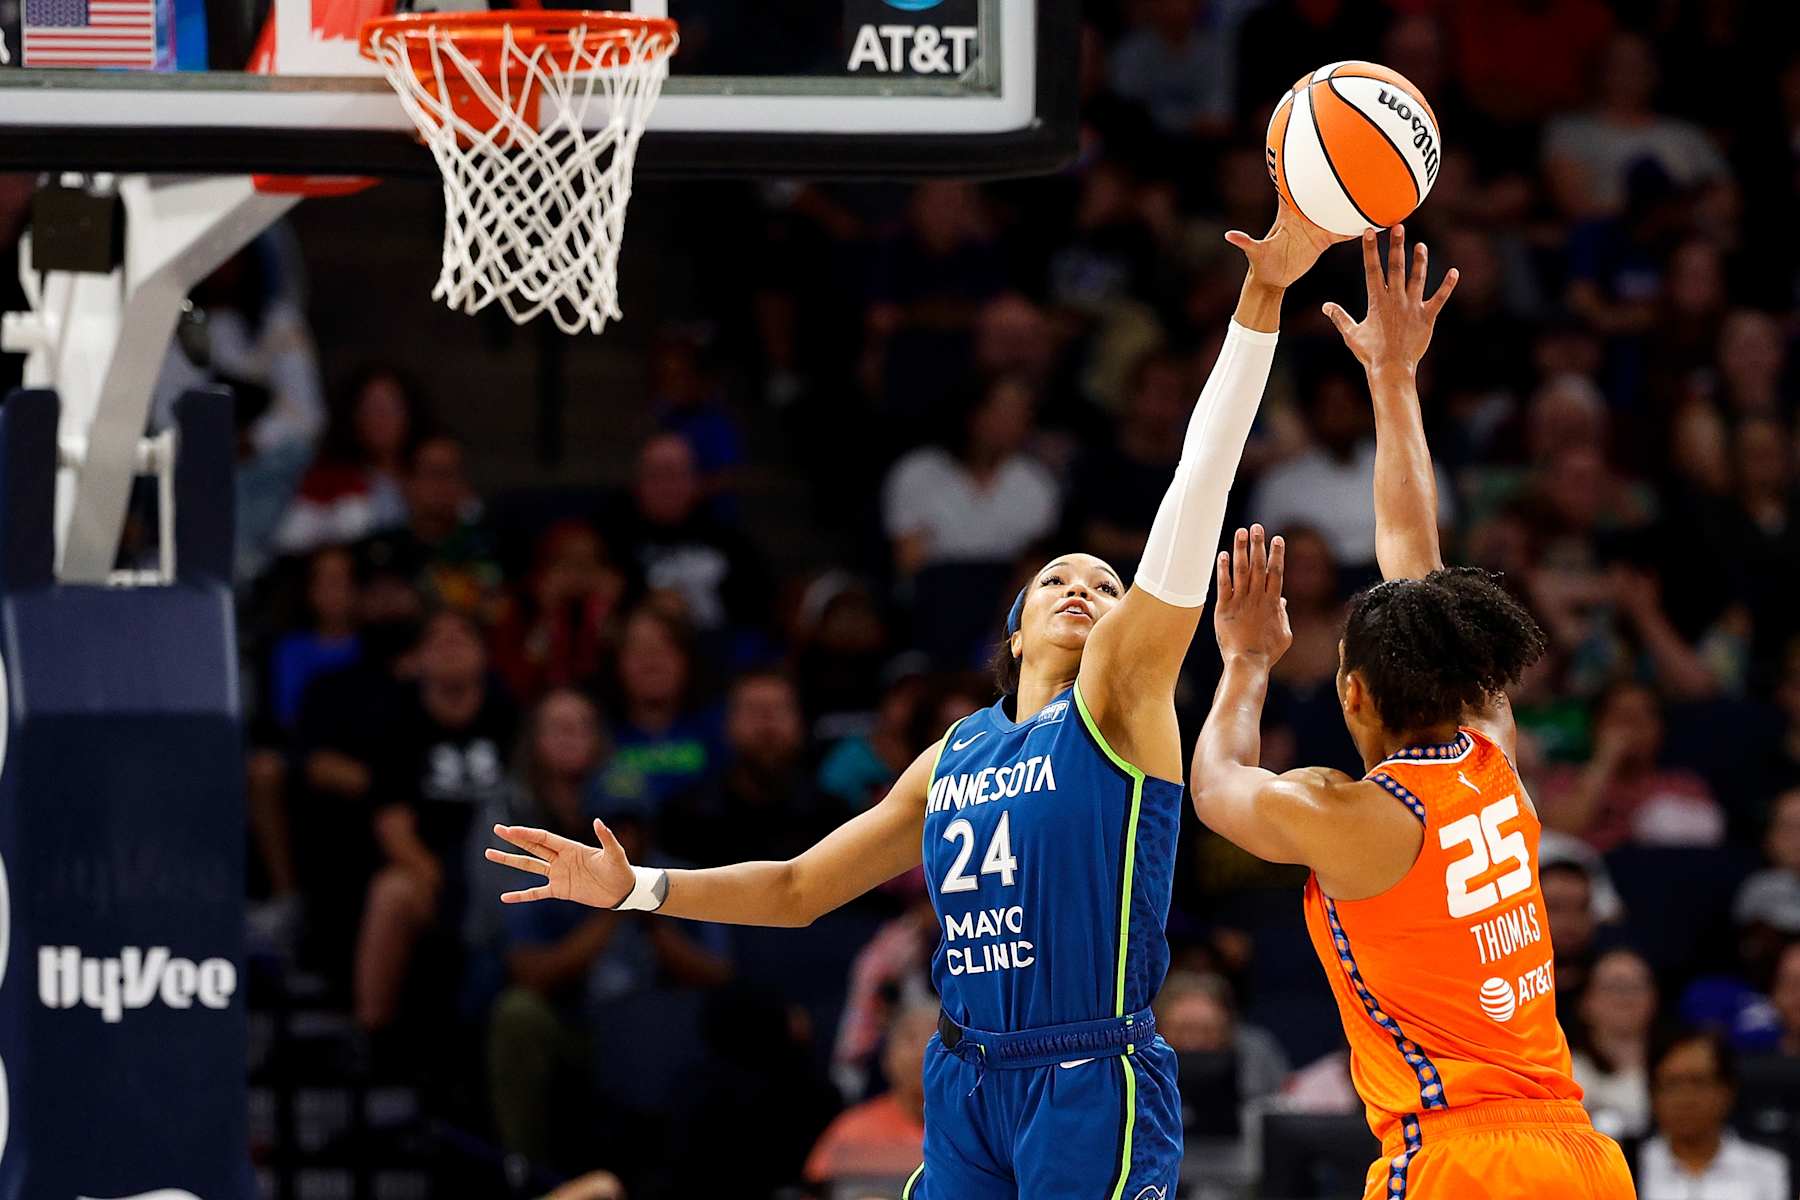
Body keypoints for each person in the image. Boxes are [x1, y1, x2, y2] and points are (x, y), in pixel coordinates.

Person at [485, 198, 1343, 1199]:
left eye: (1107, 586)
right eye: (1057, 579)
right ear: (1014, 630)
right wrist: (636, 887)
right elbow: (799, 889)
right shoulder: (953, 755)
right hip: (963, 1075)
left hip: (1085, 1073)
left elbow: (1196, 485)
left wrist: (1260, 299)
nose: (1083, 589)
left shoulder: (1119, 706)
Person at [1189, 227, 1634, 1198]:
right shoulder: (1495, 752)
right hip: (1579, 1156)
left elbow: (1216, 787)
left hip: (1459, 1158)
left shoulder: (1352, 816)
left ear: (1352, 693)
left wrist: (1246, 663)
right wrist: (1394, 379)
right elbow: (1417, 561)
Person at [1636, 1031, 1789, 1200]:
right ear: (1653, 1093)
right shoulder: (1629, 1165)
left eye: (1698, 1082)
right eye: (1672, 1084)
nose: (1685, 1099)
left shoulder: (1767, 1169)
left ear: (1727, 1090)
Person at [804, 1002, 936, 1188]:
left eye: (933, 1038)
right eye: (910, 1039)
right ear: (886, 1058)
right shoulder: (851, 1131)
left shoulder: (974, 1130)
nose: (921, 1053)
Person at [1570, 948, 1659, 1140]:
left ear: (1654, 998)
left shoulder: (1676, 1067)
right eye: (1613, 987)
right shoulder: (1566, 1071)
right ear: (1586, 1001)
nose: (1625, 997)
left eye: (1636, 987)